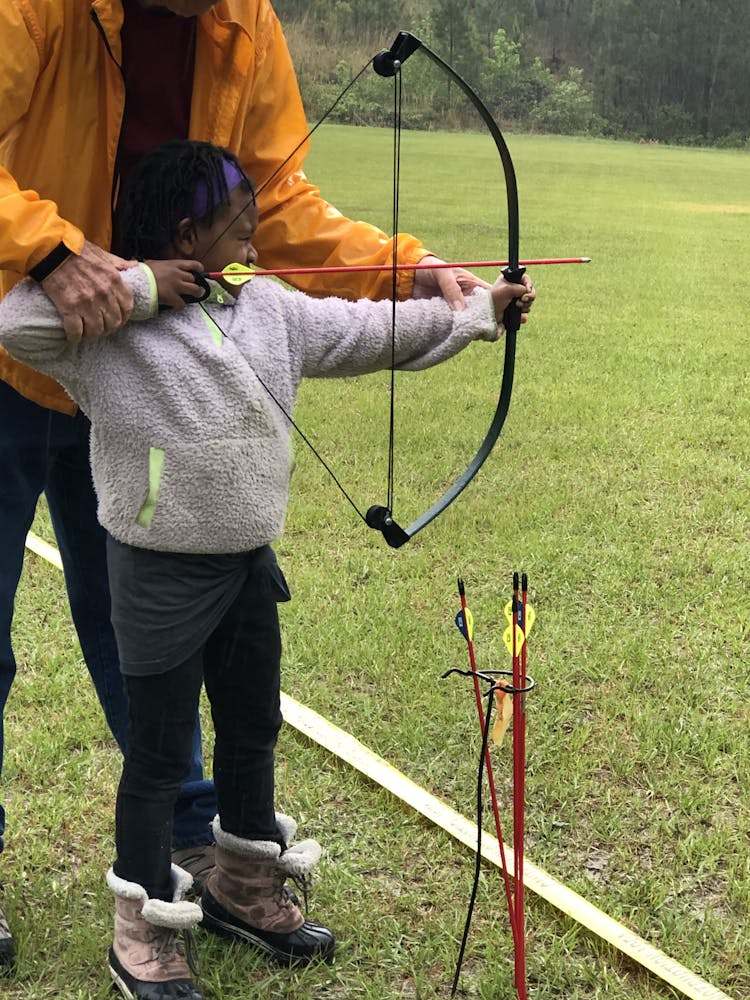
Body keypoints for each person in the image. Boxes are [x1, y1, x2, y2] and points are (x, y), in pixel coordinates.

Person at [0, 0, 494, 968]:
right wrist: (53, 252)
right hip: (22, 336)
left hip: (143, 382)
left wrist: (407, 271)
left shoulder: (242, 22)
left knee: (151, 634)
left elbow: (274, 201)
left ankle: (205, 853)